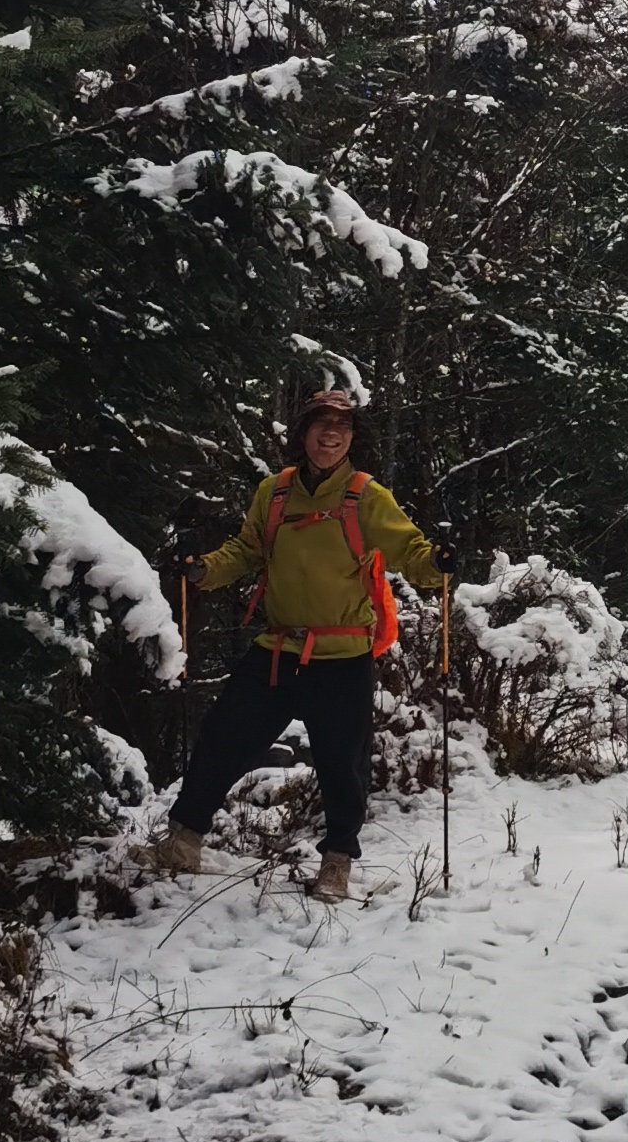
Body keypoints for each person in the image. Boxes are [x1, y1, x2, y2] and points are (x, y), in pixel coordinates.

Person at [152, 384, 443, 902]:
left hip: (343, 657)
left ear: (352, 437)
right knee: (221, 741)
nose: (331, 435)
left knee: (342, 766)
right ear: (304, 432)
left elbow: (411, 551)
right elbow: (246, 550)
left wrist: (437, 564)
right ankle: (182, 842)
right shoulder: (276, 493)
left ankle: (337, 864)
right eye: (321, 424)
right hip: (278, 650)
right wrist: (202, 571)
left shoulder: (366, 495)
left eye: (342, 426)